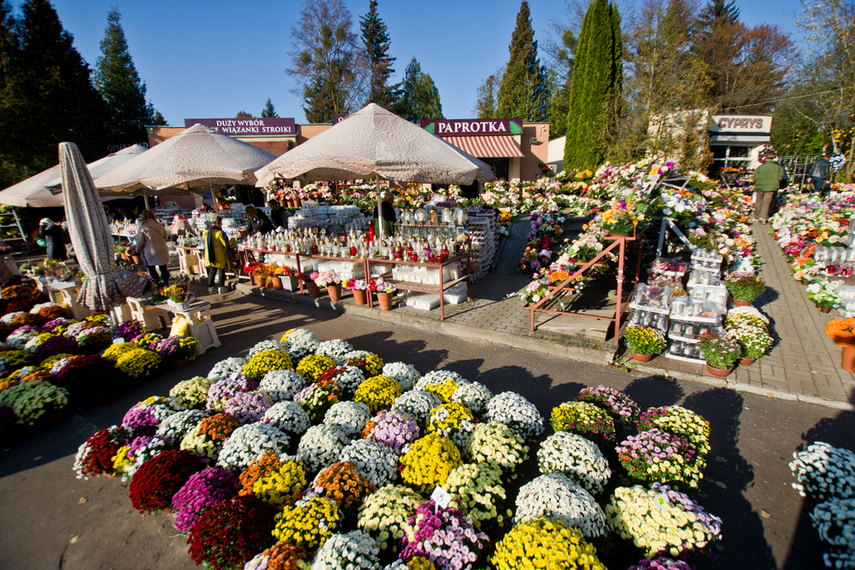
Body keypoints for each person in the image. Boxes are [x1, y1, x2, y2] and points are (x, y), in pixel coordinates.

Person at [133, 210, 170, 285]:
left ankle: (158, 285)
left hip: (150, 251)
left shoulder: (143, 228)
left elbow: (140, 242)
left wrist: (137, 249)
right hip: (162, 249)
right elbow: (165, 237)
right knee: (163, 268)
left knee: (151, 268)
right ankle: (166, 284)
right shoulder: (160, 225)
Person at [751, 151, 785, 224]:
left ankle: (756, 216)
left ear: (765, 157)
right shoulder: (778, 167)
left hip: (760, 186)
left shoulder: (760, 167)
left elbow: (755, 177)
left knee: (759, 201)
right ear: (774, 157)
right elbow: (780, 177)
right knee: (766, 202)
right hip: (771, 187)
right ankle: (763, 217)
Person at [203, 216, 233, 294]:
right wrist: (233, 240)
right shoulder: (219, 233)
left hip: (210, 255)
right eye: (220, 223)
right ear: (217, 223)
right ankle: (221, 287)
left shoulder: (206, 232)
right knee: (221, 271)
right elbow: (226, 244)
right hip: (219, 255)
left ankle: (211, 287)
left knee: (212, 271)